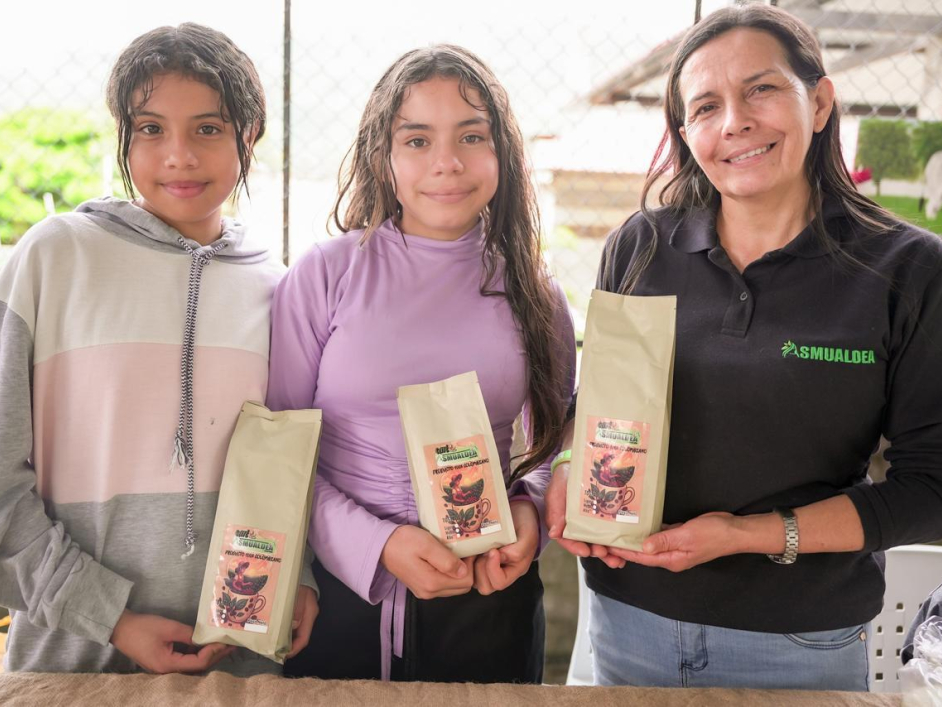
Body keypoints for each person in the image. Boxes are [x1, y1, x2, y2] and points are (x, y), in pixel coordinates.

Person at [545, 4, 942, 691]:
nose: (735, 122)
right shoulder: (640, 248)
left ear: (818, 102)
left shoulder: (908, 271)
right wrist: (567, 467)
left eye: (760, 89)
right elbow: (600, 407)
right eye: (705, 107)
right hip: (628, 616)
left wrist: (746, 533)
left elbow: (928, 491)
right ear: (685, 133)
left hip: (797, 639)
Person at [0, 23, 317, 675]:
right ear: (123, 131)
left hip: (238, 662)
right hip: (72, 659)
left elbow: (289, 469)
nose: (179, 155)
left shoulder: (279, 288)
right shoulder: (54, 257)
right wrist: (109, 615)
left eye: (207, 128)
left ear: (249, 134)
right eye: (150, 129)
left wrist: (301, 575)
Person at [266, 44, 575, 683]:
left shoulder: (533, 290)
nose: (446, 163)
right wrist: (376, 545)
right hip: (339, 598)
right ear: (384, 157)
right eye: (417, 140)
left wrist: (529, 512)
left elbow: (558, 437)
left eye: (471, 136)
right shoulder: (326, 275)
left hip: (490, 598)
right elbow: (276, 449)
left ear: (503, 155)